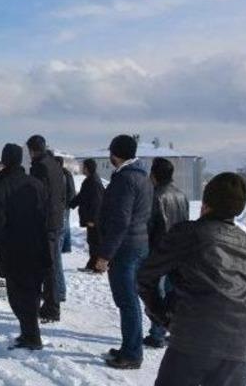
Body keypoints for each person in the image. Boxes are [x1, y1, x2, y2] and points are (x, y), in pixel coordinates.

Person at [139, 173, 246, 386]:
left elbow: (146, 276)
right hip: (237, 345)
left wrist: (162, 315)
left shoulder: (188, 234)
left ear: (206, 203)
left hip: (192, 338)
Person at [92, 135, 153, 369]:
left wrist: (105, 255)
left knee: (127, 302)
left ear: (115, 154)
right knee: (129, 301)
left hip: (125, 248)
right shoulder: (141, 176)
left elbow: (120, 221)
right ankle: (129, 345)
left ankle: (132, 354)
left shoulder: (125, 180)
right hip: (138, 245)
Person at [0, 143, 51, 350]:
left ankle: (31, 336)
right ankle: (29, 333)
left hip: (13, 250)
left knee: (18, 295)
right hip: (37, 246)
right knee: (31, 292)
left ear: (4, 160)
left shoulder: (1, 185)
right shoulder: (36, 184)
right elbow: (46, 215)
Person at [143, 157, 189, 348]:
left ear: (154, 175)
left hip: (159, 250)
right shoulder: (181, 195)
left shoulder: (155, 196)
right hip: (179, 250)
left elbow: (149, 226)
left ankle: (157, 333)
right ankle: (175, 330)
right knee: (175, 293)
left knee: (156, 293)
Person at [26, 135, 66, 323]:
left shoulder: (40, 167)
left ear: (32, 150)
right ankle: (50, 304)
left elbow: (37, 196)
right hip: (56, 220)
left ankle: (51, 308)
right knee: (51, 265)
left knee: (48, 267)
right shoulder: (55, 165)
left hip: (46, 223)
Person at [69, 158, 105, 272]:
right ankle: (92, 265)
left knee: (96, 243)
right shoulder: (89, 180)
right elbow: (82, 196)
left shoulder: (94, 182)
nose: (81, 168)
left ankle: (98, 267)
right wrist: (70, 204)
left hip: (94, 220)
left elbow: (97, 202)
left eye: (83, 166)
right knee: (92, 242)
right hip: (91, 219)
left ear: (87, 168)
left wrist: (92, 219)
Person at [56, 156, 77, 254]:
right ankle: (66, 247)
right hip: (67, 203)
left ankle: (64, 247)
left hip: (64, 203)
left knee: (64, 226)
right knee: (66, 225)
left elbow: (67, 190)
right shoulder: (67, 173)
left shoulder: (62, 174)